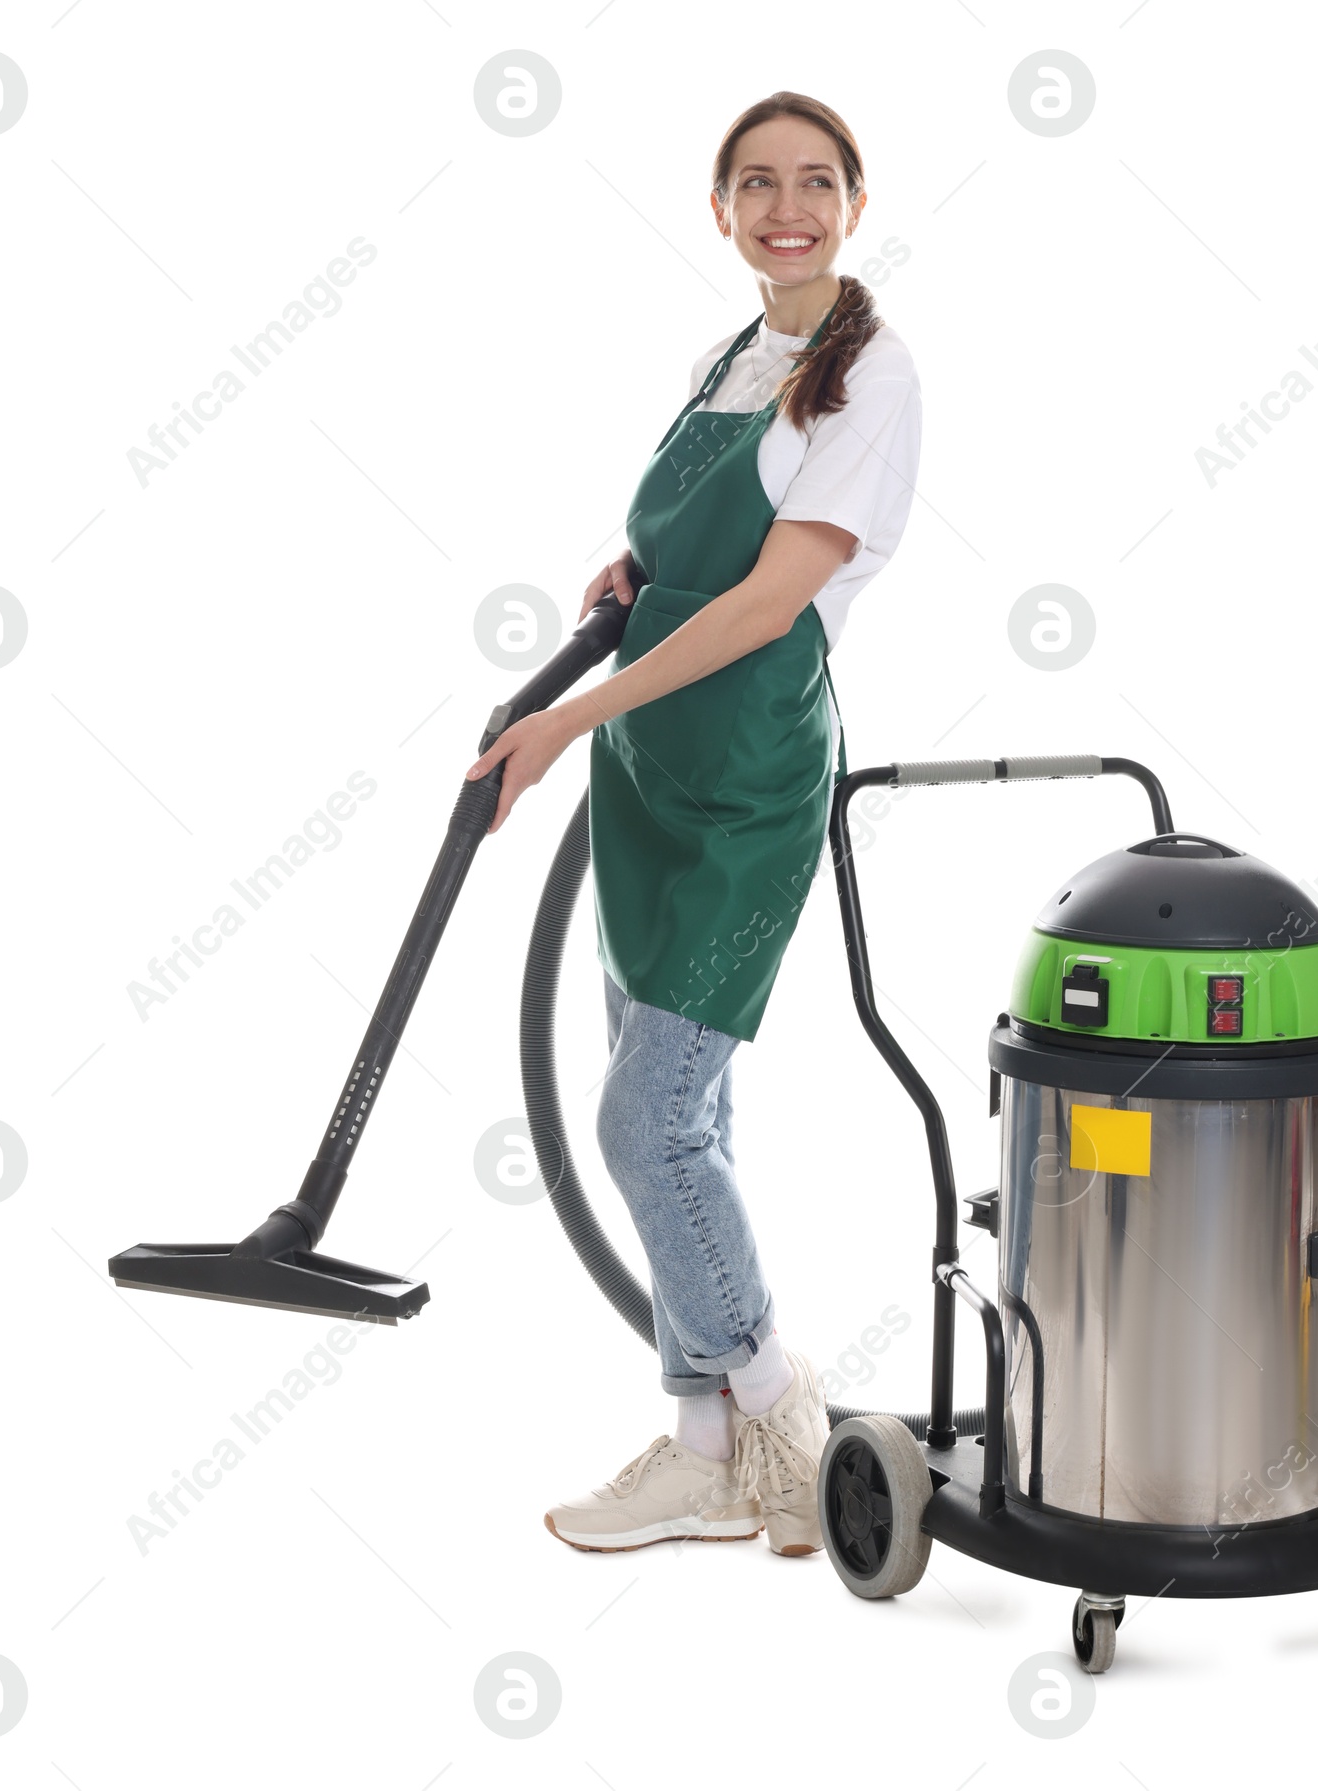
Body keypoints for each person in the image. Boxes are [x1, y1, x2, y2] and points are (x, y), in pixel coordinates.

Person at [465, 91, 922, 1555]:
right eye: (756, 186)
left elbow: (773, 599)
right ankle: (705, 1447)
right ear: (720, 211)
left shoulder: (873, 378)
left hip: (742, 784)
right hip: (656, 766)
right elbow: (695, 542)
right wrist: (628, 566)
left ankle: (784, 1407)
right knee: (686, 1114)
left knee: (643, 1118)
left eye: (815, 184)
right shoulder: (739, 355)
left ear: (856, 201)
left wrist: (562, 722)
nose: (786, 208)